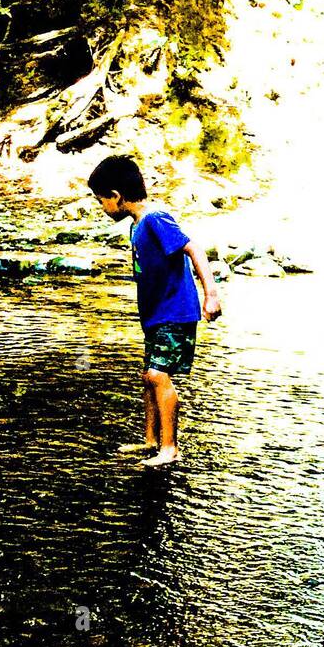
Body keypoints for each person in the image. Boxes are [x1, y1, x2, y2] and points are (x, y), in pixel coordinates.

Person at [88, 155, 222, 466]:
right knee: (148, 377)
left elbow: (194, 248)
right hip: (156, 314)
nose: (102, 208)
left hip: (175, 312)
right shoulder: (137, 226)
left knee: (158, 375)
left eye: (101, 201)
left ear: (116, 196)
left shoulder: (155, 219)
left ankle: (169, 448)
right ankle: (150, 440)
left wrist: (211, 294)